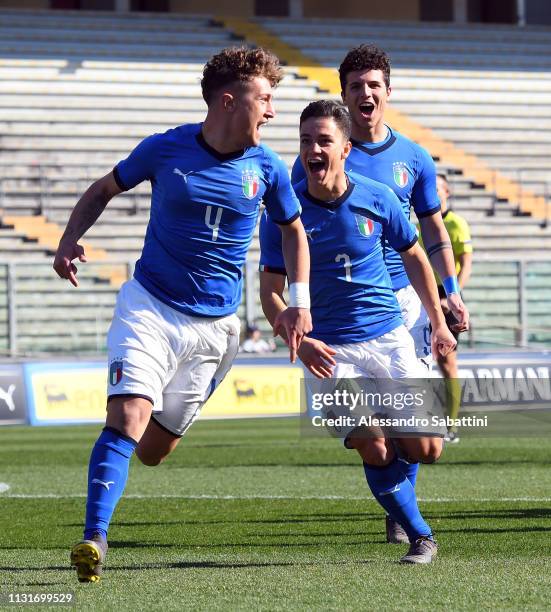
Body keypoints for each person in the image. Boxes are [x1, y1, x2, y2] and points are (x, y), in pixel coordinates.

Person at [53, 46, 312, 583]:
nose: (273, 111)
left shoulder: (267, 168)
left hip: (216, 330)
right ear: (227, 100)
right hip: (149, 306)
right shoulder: (164, 148)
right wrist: (70, 238)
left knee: (152, 450)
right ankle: (94, 539)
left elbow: (293, 231)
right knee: (127, 416)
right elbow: (104, 188)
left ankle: (119, 477)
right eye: (265, 98)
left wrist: (297, 304)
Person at [260, 100, 457, 563]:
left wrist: (438, 319)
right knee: (372, 444)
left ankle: (393, 447)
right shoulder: (283, 214)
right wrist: (298, 339)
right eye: (305, 140)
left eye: (324, 140)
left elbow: (414, 257)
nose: (313, 149)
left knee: (428, 449)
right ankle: (420, 535)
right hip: (329, 348)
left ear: (346, 148)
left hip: (389, 337)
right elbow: (270, 289)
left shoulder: (378, 197)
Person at [292, 44, 470, 544]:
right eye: (355, 86)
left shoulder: (413, 157)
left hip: (407, 300)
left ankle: (398, 497)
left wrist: (449, 293)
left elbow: (432, 232)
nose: (365, 93)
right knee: (374, 433)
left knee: (421, 437)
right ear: (343, 95)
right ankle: (403, 513)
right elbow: (292, 232)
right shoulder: (315, 158)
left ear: (388, 92)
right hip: (347, 308)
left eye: (374, 85)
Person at [421, 174, 473, 443]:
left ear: (447, 192)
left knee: (447, 362)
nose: (435, 194)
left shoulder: (455, 223)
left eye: (439, 189)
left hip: (446, 295)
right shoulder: (419, 223)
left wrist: (453, 295)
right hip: (419, 294)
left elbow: (466, 262)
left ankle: (450, 425)